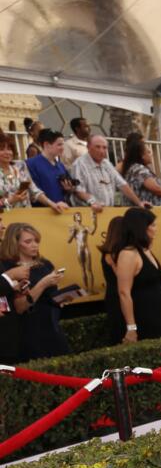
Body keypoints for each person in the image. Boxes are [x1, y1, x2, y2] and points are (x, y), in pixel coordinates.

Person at [0, 222, 71, 359]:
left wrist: (62, 299)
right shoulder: (8, 268)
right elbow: (20, 307)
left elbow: (51, 296)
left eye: (36, 241)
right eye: (28, 241)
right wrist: (43, 284)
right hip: (27, 328)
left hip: (51, 324)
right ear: (15, 243)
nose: (34, 245)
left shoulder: (45, 264)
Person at [114, 207, 161, 343]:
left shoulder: (145, 250)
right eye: (152, 225)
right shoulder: (128, 254)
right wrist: (131, 327)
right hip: (143, 317)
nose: (156, 229)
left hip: (159, 315)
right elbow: (124, 292)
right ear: (140, 228)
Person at [71, 133, 146, 209]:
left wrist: (139, 203)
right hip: (88, 212)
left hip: (107, 211)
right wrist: (93, 202)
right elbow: (78, 190)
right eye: (97, 147)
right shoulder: (79, 164)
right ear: (88, 147)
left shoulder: (106, 163)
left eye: (104, 148)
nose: (101, 150)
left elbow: (122, 184)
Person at [24, 129, 72, 212]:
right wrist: (51, 204)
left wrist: (68, 189)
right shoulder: (31, 164)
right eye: (59, 145)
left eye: (63, 145)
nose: (62, 148)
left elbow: (67, 191)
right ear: (46, 144)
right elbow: (33, 191)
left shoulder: (60, 166)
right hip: (42, 213)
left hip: (61, 209)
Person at [122, 139, 161, 206]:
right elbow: (156, 188)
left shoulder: (136, 168)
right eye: (148, 152)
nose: (151, 154)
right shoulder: (138, 169)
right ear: (142, 155)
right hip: (146, 211)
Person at [98, 215, 127, 344]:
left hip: (116, 295)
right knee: (120, 332)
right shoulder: (111, 253)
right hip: (117, 297)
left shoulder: (113, 252)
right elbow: (121, 276)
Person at [0, 133, 33, 209]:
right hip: (6, 218)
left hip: (26, 214)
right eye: (1, 149)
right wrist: (10, 200)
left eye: (9, 149)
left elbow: (34, 190)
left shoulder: (20, 166)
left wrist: (52, 204)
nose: (7, 152)